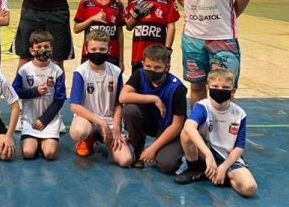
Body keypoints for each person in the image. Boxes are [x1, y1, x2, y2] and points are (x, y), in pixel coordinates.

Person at [175, 69, 257, 197]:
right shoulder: (203, 107)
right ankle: (194, 169)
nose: (220, 89)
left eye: (225, 87)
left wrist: (224, 167)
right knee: (186, 134)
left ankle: (224, 177)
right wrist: (208, 155)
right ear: (208, 88)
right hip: (205, 152)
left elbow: (240, 147)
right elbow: (189, 126)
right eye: (215, 87)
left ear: (233, 91)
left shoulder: (239, 113)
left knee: (249, 188)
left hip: (226, 157)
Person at [119, 44, 187, 173]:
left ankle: (186, 154)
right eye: (148, 66)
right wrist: (154, 98)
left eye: (157, 68)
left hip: (169, 129)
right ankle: (138, 150)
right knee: (130, 110)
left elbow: (177, 125)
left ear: (167, 67)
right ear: (143, 63)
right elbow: (123, 97)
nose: (152, 71)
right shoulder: (139, 75)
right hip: (151, 122)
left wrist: (153, 149)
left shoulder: (177, 89)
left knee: (167, 165)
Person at [69, 31, 132, 166]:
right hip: (88, 119)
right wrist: (101, 122)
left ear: (109, 49)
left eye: (102, 49)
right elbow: (74, 106)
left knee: (125, 160)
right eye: (94, 49)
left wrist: (115, 127)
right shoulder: (80, 72)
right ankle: (88, 137)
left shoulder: (115, 72)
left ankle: (103, 138)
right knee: (78, 131)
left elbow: (118, 104)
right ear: (87, 49)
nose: (98, 52)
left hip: (109, 120)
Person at [11, 31, 65, 160]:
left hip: (49, 120)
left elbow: (60, 99)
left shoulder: (57, 71)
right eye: (39, 47)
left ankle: (46, 141)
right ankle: (32, 140)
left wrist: (44, 120)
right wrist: (34, 91)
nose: (43, 50)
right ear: (32, 50)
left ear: (51, 48)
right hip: (30, 119)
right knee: (28, 153)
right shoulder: (24, 70)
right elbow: (14, 91)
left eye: (46, 47)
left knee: (50, 154)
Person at [124, 0, 180, 73]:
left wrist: (168, 50)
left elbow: (171, 26)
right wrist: (136, 14)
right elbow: (128, 27)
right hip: (138, 54)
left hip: (158, 53)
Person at [73, 0, 125, 70]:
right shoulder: (86, 3)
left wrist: (121, 60)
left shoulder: (117, 4)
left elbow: (120, 33)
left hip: (112, 55)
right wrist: (92, 19)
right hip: (90, 54)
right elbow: (76, 29)